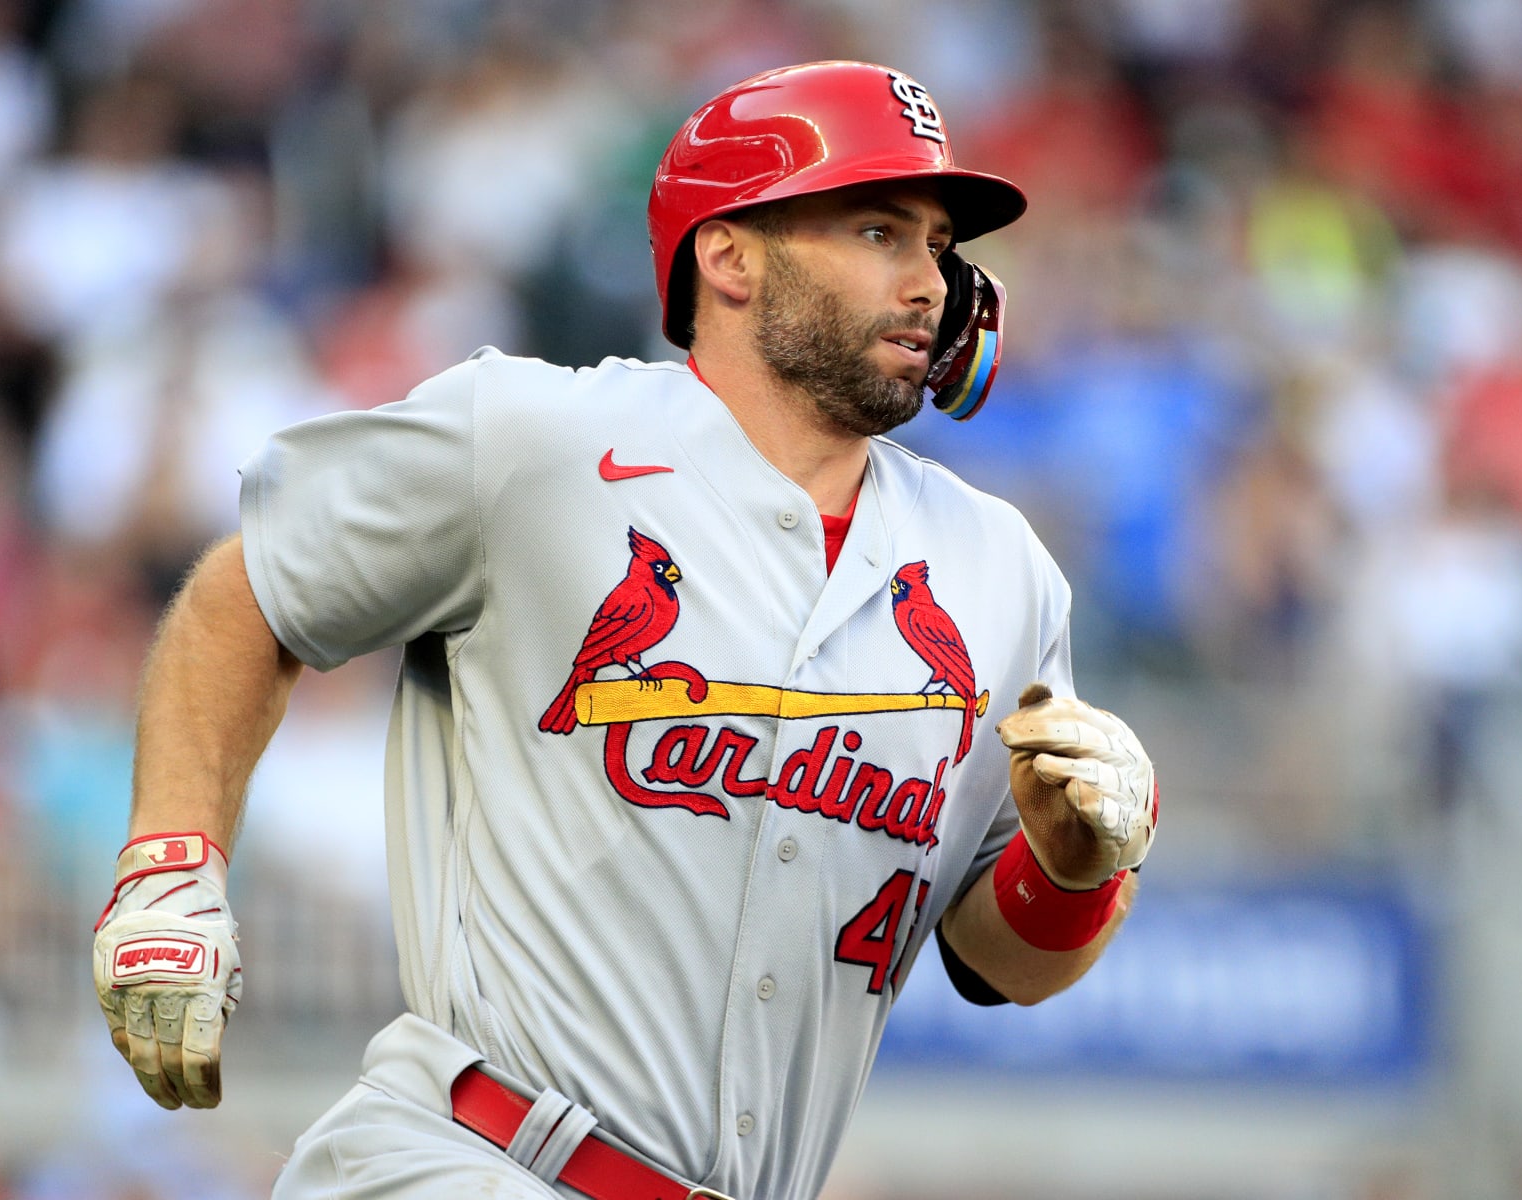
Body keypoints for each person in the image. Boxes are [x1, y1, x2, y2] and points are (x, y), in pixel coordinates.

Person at [92, 60, 1159, 1200]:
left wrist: (1081, 866)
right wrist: (171, 865)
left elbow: (1006, 963)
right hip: (475, 1160)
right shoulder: (533, 439)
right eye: (877, 230)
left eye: (938, 244)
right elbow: (250, 596)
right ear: (730, 253)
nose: (929, 282)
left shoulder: (1001, 572)